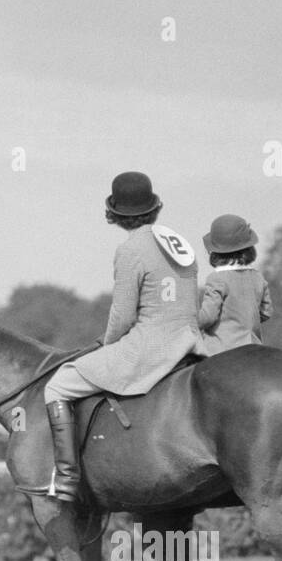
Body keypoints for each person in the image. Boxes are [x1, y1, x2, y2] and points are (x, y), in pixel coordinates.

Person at [42, 172, 203, 502]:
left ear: (116, 212)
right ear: (153, 206)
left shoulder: (131, 249)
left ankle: (68, 478)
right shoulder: (178, 242)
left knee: (57, 385)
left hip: (151, 345)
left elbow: (123, 316)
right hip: (191, 340)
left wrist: (107, 342)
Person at [197, 214, 273, 354]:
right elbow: (266, 312)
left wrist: (188, 322)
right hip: (254, 348)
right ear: (249, 249)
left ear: (215, 252)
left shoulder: (216, 278)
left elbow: (208, 317)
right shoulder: (258, 277)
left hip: (219, 351)